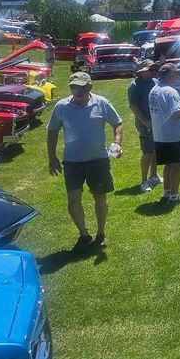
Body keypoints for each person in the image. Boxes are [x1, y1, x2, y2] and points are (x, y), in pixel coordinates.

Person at [47, 71, 123, 251]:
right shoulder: (61, 106)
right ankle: (84, 234)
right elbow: (52, 131)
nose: (76, 90)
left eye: (80, 87)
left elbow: (117, 123)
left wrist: (117, 143)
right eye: (73, 87)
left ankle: (101, 233)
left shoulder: (101, 103)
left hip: (98, 160)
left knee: (100, 197)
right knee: (73, 200)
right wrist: (52, 158)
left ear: (89, 86)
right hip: (72, 162)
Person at [149, 63, 180, 204]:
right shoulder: (170, 91)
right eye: (176, 73)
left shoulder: (154, 90)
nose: (178, 76)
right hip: (173, 136)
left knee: (168, 165)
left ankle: (167, 192)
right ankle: (174, 196)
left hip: (160, 135)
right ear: (171, 75)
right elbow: (176, 114)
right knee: (177, 166)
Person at [127, 59, 161, 193]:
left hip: (157, 121)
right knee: (147, 152)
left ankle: (154, 175)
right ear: (142, 71)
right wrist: (146, 122)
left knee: (156, 150)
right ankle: (144, 181)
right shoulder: (135, 85)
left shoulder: (156, 82)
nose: (153, 71)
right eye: (150, 69)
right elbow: (133, 106)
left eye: (154, 68)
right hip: (145, 123)